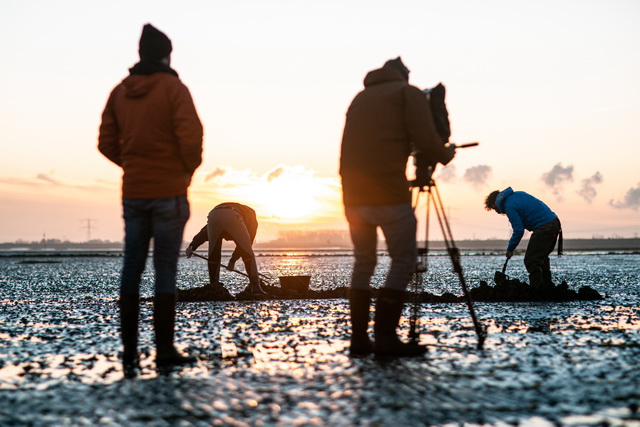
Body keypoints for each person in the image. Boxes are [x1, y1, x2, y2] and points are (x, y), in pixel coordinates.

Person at [98, 24, 203, 378]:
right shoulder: (174, 89)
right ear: (166, 54)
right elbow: (192, 138)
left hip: (134, 192)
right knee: (165, 269)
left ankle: (129, 351)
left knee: (132, 267)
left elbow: (105, 142)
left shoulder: (119, 93)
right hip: (169, 192)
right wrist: (183, 171)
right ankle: (164, 350)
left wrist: (133, 165)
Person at [339, 57, 456, 357]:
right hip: (388, 193)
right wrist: (444, 154)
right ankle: (386, 338)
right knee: (403, 260)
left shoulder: (360, 98)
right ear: (404, 76)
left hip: (352, 196)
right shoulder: (407, 93)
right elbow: (426, 140)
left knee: (364, 263)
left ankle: (359, 341)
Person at [484, 187, 562, 289]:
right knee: (541, 257)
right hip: (554, 223)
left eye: (494, 208)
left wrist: (510, 249)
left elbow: (519, 230)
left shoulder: (509, 206)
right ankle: (547, 287)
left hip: (545, 227)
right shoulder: (516, 196)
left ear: (495, 202)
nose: (497, 212)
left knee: (531, 259)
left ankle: (537, 289)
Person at [185, 203, 267, 297]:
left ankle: (214, 286)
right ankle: (256, 289)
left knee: (213, 253)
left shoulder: (224, 214)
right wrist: (232, 261)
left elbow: (203, 234)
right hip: (233, 215)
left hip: (214, 214)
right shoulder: (251, 217)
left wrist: (191, 247)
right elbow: (245, 247)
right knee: (247, 253)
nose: (228, 238)